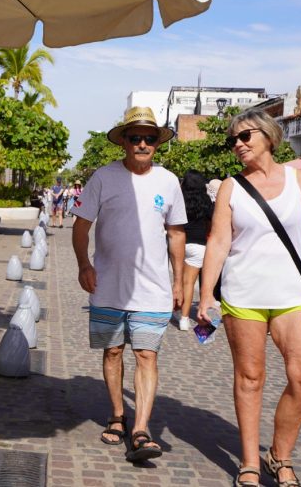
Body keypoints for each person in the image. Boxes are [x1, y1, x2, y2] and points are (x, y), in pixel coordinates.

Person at [198, 109, 301, 487]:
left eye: (245, 137)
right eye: (233, 140)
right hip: (244, 294)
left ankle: (280, 455)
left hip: (292, 294)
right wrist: (206, 293)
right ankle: (250, 462)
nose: (238, 145)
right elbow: (219, 242)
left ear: (269, 136)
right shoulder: (231, 187)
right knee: (250, 378)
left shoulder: (298, 180)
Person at [70, 106, 185, 463]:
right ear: (123, 141)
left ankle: (141, 428)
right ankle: (118, 414)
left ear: (157, 144)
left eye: (149, 138)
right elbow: (81, 226)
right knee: (114, 351)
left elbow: (176, 233)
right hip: (107, 284)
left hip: (154, 288)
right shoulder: (103, 177)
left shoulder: (168, 181)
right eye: (135, 138)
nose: (142, 144)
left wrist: (180, 281)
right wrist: (83, 264)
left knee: (147, 355)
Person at [176, 170, 214, 331]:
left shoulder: (179, 199)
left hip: (179, 242)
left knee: (179, 280)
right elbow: (212, 222)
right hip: (198, 244)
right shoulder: (206, 201)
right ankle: (184, 319)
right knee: (190, 283)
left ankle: (177, 310)